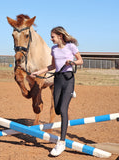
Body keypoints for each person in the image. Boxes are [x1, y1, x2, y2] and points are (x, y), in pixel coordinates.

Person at [31, 26, 83, 156]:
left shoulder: (71, 47)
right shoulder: (54, 49)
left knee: (64, 110)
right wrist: (39, 72)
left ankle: (62, 142)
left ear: (60, 36)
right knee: (58, 110)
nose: (51, 38)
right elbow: (52, 66)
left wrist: (72, 62)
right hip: (58, 78)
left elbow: (80, 61)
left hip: (69, 79)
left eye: (52, 36)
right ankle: (69, 94)